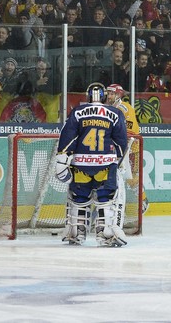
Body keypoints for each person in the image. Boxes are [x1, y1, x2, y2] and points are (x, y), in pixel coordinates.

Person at [54, 82, 128, 247]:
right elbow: (121, 141)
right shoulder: (115, 113)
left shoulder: (78, 112)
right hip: (105, 165)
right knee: (106, 199)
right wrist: (117, 159)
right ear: (103, 96)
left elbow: (67, 137)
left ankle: (75, 232)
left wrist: (62, 160)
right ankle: (106, 233)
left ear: (88, 96)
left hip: (81, 165)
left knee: (79, 199)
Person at [105, 84, 148, 221]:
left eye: (112, 94)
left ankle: (143, 201)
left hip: (130, 146)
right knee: (120, 176)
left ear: (118, 95)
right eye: (108, 93)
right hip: (119, 147)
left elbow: (128, 132)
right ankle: (116, 206)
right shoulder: (111, 108)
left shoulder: (124, 108)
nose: (109, 96)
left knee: (129, 177)